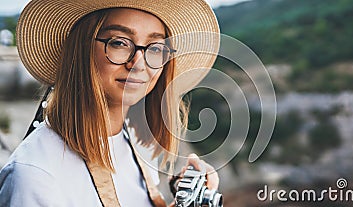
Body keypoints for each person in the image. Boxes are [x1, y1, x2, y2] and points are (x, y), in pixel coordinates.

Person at [0, 0, 220, 206]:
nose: (138, 63)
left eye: (155, 48)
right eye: (119, 43)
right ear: (80, 49)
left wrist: (189, 197)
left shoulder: (131, 142)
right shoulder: (35, 175)